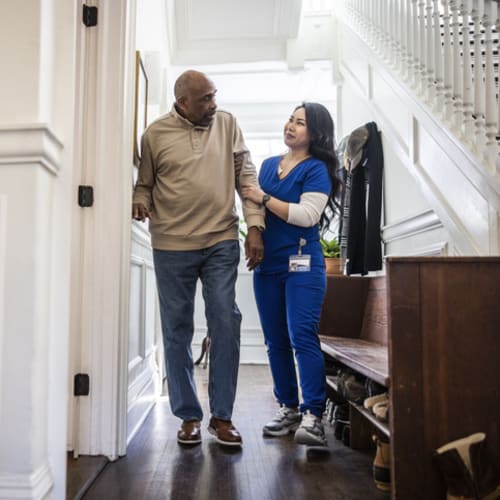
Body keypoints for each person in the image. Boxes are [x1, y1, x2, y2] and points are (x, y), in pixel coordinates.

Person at [132, 70, 265, 447]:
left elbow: (247, 176)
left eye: (214, 95)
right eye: (205, 99)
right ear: (182, 103)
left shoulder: (227, 124)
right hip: (171, 244)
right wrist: (140, 199)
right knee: (176, 331)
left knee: (225, 319)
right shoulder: (155, 135)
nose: (213, 104)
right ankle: (188, 415)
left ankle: (221, 416)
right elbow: (144, 183)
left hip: (221, 238)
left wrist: (254, 225)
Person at [241, 102, 341, 446]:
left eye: (300, 123)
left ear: (315, 133)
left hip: (303, 267)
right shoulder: (268, 165)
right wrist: (254, 222)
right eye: (290, 119)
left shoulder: (317, 170)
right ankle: (288, 408)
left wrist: (262, 197)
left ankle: (313, 416)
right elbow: (250, 202)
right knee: (275, 342)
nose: (290, 126)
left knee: (302, 335)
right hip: (267, 267)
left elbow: (306, 215)